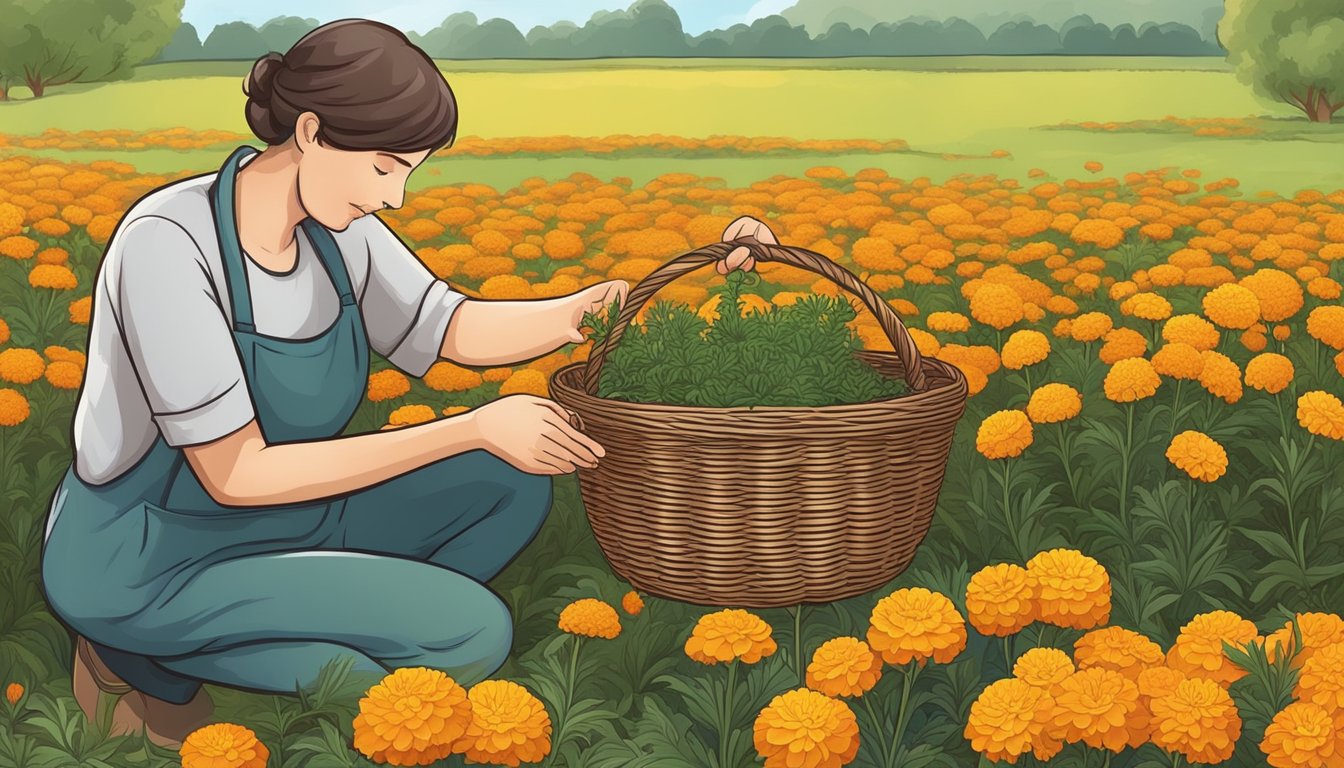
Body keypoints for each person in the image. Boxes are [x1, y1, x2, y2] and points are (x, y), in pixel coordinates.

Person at [38, 18, 777, 749]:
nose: (394, 197)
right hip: (148, 554)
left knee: (509, 482)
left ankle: (324, 625)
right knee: (470, 633)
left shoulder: (337, 230)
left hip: (292, 519)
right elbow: (235, 473)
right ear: (309, 131)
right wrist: (472, 425)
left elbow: (449, 329)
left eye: (407, 173)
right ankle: (139, 654)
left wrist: (608, 301)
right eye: (386, 167)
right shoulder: (168, 243)